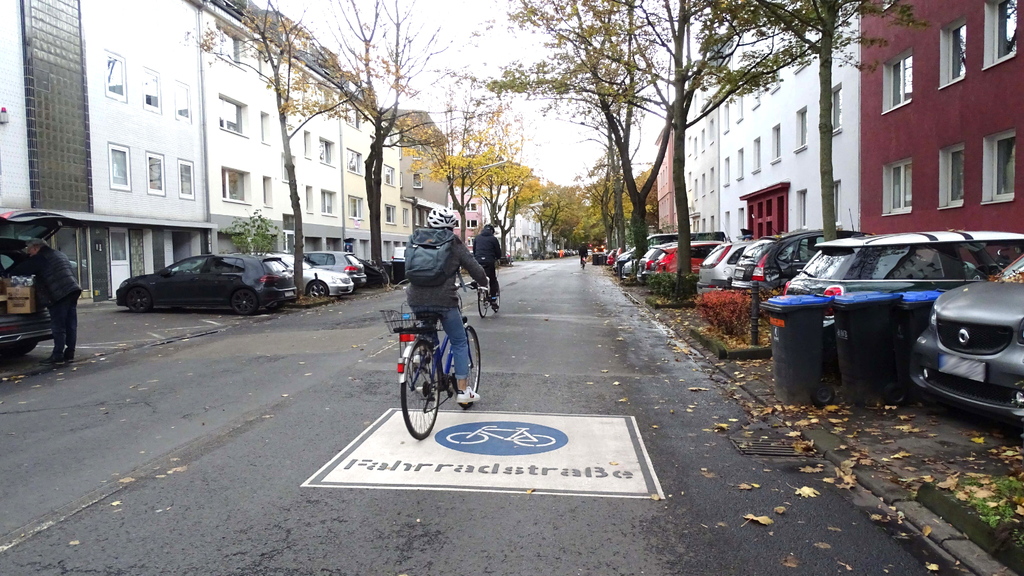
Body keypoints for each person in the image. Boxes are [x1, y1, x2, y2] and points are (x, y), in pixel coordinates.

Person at [406, 208, 489, 403]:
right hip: (444, 299)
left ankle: (423, 353)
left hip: (415, 298)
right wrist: (485, 282)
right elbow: (473, 266)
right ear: (451, 226)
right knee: (459, 341)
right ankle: (463, 391)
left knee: (428, 331)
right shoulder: (452, 242)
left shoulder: (415, 238)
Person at [8, 238, 83, 365]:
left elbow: (18, 271)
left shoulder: (40, 258)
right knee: (70, 324)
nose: (28, 253)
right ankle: (70, 353)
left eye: (29, 250)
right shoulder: (59, 254)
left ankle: (57, 355)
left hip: (59, 294)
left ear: (36, 248)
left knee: (58, 325)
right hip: (72, 290)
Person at [472, 224, 501, 303]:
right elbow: (498, 252)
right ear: (492, 231)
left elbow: (474, 251)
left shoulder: (477, 238)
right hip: (489, 261)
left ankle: (478, 284)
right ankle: (493, 298)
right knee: (492, 280)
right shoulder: (493, 239)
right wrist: (497, 258)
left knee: (480, 275)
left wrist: (477, 258)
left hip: (478, 261)